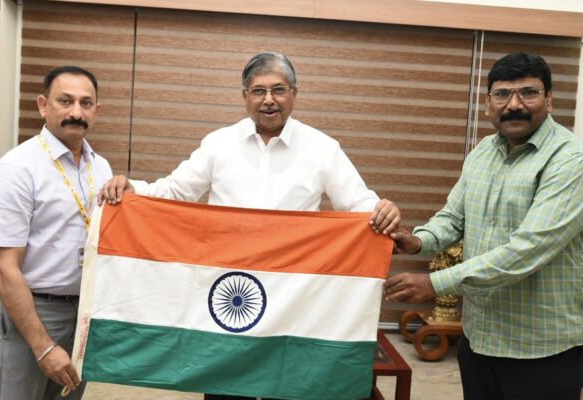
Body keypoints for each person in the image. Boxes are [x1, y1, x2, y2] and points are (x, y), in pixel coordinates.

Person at [99, 51, 400, 400]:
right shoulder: (219, 144)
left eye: (278, 90)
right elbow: (175, 191)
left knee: (285, 387)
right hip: (230, 292)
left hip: (292, 298)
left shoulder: (323, 148)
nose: (268, 100)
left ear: (294, 94)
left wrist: (383, 209)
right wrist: (132, 189)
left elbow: (359, 206)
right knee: (227, 389)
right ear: (244, 96)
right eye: (258, 91)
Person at [383, 52, 583, 400]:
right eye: (502, 94)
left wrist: (434, 283)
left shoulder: (574, 160)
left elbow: (527, 250)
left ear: (549, 99)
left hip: (543, 348)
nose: (514, 104)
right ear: (488, 103)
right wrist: (418, 241)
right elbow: (454, 217)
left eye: (528, 93)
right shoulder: (484, 151)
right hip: (480, 338)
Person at [0, 66, 113, 400]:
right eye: (65, 101)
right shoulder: (16, 169)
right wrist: (42, 346)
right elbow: (3, 268)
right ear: (43, 105)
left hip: (83, 309)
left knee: (68, 395)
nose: (76, 113)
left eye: (86, 103)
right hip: (36, 311)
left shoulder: (101, 167)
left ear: (97, 110)